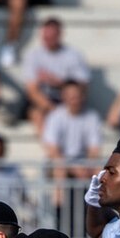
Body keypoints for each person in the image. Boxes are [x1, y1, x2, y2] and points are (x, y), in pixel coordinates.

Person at [42, 80, 104, 211]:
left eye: (76, 96)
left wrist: (86, 166)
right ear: (64, 97)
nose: (74, 100)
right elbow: (53, 150)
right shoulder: (55, 116)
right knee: (60, 168)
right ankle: (59, 211)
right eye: (70, 96)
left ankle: (99, 209)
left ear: (82, 96)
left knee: (100, 170)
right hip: (60, 162)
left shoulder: (92, 117)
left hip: (82, 162)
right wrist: (72, 168)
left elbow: (94, 149)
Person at [22, 18, 91, 132]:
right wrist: (52, 109)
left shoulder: (73, 55)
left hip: (66, 101)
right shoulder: (33, 55)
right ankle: (51, 148)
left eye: (51, 37)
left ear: (59, 35)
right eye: (45, 37)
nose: (47, 40)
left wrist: (59, 83)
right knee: (38, 115)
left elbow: (83, 87)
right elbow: (32, 91)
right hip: (43, 103)